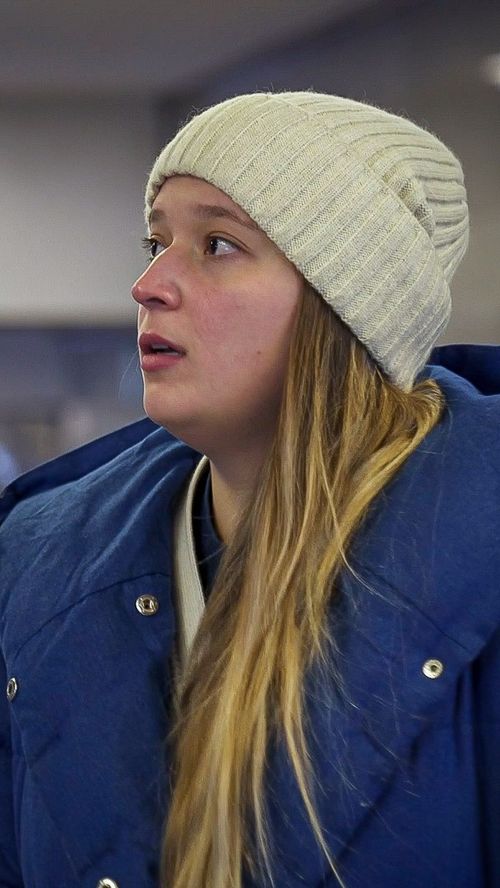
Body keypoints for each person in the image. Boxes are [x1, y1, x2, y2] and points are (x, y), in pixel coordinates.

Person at [0, 91, 499, 888]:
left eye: (218, 243)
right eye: (155, 241)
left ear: (348, 303)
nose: (149, 284)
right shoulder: (34, 564)